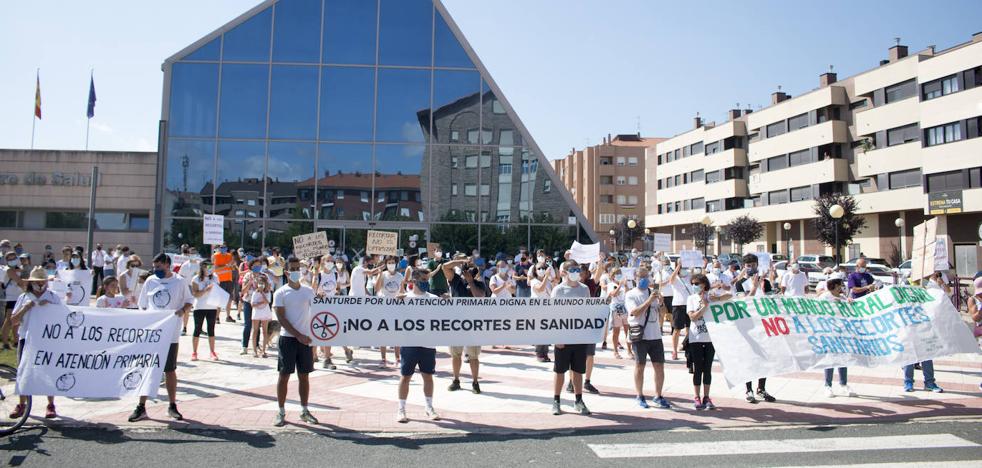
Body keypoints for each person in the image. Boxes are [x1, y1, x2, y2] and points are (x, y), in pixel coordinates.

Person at [128, 253, 193, 422]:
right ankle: (141, 406)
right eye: (155, 267)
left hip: (170, 334)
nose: (156, 270)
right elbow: (143, 305)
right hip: (152, 334)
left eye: (159, 267)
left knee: (169, 370)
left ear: (167, 265)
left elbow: (189, 301)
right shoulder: (150, 281)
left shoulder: (179, 282)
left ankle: (172, 405)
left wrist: (182, 311)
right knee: (147, 369)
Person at [272, 256, 319, 427]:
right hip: (288, 339)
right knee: (284, 375)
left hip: (305, 340)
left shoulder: (308, 291)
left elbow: (318, 311)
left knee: (304, 376)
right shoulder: (280, 293)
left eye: (298, 268)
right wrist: (298, 335)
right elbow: (281, 318)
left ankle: (304, 410)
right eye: (292, 269)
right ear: (286, 272)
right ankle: (281, 411)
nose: (295, 271)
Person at [8, 267, 59, 419]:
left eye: (42, 281)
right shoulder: (24, 298)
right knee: (24, 372)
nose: (40, 284)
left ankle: (50, 404)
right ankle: (22, 404)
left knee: (48, 371)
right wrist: (26, 308)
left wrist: (50, 307)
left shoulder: (53, 297)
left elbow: (63, 318)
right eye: (37, 282)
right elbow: (13, 321)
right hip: (27, 339)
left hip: (47, 340)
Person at [396, 268, 441, 423]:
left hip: (428, 343)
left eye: (427, 279)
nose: (426, 283)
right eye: (423, 280)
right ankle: (401, 409)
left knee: (428, 376)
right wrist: (397, 303)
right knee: (405, 376)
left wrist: (447, 301)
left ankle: (429, 407)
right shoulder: (405, 298)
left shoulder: (434, 298)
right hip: (409, 343)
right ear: (414, 281)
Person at [733, 253, 777, 403]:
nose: (751, 267)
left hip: (763, 325)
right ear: (744, 267)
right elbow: (744, 302)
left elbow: (772, 301)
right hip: (748, 325)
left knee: (764, 357)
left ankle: (761, 388)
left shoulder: (765, 282)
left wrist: (765, 288)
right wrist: (753, 288)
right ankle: (749, 389)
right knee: (749, 358)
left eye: (753, 265)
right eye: (748, 265)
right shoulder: (740, 284)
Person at [550, 261, 591, 416]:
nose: (576, 272)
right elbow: (552, 315)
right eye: (572, 270)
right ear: (565, 272)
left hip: (579, 337)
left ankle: (579, 400)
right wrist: (556, 338)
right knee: (560, 370)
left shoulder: (584, 289)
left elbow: (588, 312)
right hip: (563, 337)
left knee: (578, 370)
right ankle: (556, 400)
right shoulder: (558, 290)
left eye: (577, 269)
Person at [625, 267, 669, 409]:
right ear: (635, 278)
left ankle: (658, 395)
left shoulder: (654, 292)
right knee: (640, 365)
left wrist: (661, 303)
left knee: (659, 365)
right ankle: (640, 395)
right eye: (640, 276)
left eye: (646, 276)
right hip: (640, 335)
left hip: (655, 335)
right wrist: (649, 301)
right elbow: (634, 312)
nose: (643, 279)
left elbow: (664, 314)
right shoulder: (631, 294)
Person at [442, 257, 484, 393]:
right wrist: (460, 261)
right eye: (467, 269)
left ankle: (475, 382)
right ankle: (456, 379)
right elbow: (445, 267)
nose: (469, 271)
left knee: (473, 356)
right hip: (456, 324)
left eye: (472, 270)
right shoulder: (456, 281)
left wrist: (471, 281)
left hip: (472, 325)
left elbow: (479, 296)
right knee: (455, 354)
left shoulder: (479, 284)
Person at [687, 273, 729, 410]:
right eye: (692, 284)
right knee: (697, 368)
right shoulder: (691, 298)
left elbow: (730, 296)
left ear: (704, 284)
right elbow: (693, 317)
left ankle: (706, 396)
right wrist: (704, 306)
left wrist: (715, 298)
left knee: (707, 368)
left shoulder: (710, 296)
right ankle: (696, 396)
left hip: (710, 338)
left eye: (697, 284)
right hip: (696, 338)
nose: (694, 286)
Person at [818, 278, 855, 397]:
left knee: (843, 359)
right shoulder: (824, 297)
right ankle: (827, 386)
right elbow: (818, 312)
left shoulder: (843, 297)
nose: (842, 288)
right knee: (830, 360)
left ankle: (843, 384)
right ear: (834, 286)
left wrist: (849, 302)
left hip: (842, 333)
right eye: (840, 285)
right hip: (829, 332)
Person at [567, 265, 600, 394]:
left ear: (587, 273)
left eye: (582, 271)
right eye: (577, 271)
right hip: (573, 325)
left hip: (588, 323)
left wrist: (600, 262)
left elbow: (598, 274)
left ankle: (587, 381)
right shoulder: (567, 286)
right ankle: (571, 381)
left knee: (590, 354)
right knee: (572, 355)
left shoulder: (589, 285)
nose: (579, 274)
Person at [316, 255, 352, 368]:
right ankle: (328, 357)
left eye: (332, 261)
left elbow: (336, 289)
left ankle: (328, 358)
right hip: (320, 308)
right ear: (322, 262)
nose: (330, 263)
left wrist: (336, 294)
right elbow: (313, 290)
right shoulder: (318, 275)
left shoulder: (335, 274)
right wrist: (318, 294)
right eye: (328, 261)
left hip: (333, 307)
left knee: (333, 331)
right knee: (326, 332)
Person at [375, 255, 406, 367]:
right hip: (384, 308)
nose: (391, 264)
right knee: (383, 334)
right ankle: (383, 359)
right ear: (386, 264)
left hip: (397, 309)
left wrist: (402, 296)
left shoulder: (399, 276)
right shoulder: (383, 275)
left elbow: (402, 290)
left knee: (396, 334)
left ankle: (397, 358)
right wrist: (379, 273)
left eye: (393, 262)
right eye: (389, 262)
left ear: (396, 263)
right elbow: (377, 288)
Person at [190, 260, 220, 361]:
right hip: (199, 307)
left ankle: (212, 352)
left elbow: (218, 292)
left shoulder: (215, 277)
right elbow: (195, 294)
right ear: (202, 268)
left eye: (211, 267)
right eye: (208, 267)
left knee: (211, 329)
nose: (210, 269)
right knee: (197, 329)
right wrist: (206, 290)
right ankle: (194, 352)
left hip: (212, 307)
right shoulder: (196, 279)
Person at [529, 259, 553, 362]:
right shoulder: (533, 281)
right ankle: (539, 353)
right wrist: (546, 276)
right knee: (539, 331)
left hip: (547, 308)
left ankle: (545, 353)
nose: (542, 270)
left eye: (544, 268)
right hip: (537, 309)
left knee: (546, 332)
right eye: (539, 268)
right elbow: (540, 289)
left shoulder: (548, 281)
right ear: (535, 271)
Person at [666, 262, 691, 361]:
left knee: (690, 329)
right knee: (677, 329)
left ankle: (687, 347)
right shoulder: (675, 278)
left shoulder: (689, 276)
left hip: (689, 305)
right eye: (682, 267)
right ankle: (674, 351)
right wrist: (677, 267)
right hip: (678, 305)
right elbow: (671, 280)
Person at [606, 267, 633, 360]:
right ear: (612, 276)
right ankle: (615, 351)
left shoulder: (624, 283)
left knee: (628, 330)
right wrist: (620, 286)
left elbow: (628, 294)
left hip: (625, 308)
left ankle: (629, 351)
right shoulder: (611, 284)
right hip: (615, 309)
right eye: (616, 274)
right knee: (616, 331)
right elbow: (613, 294)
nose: (618, 275)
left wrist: (625, 286)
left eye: (619, 273)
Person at [1, 250, 26, 350]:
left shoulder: (19, 269)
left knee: (17, 321)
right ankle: (5, 342)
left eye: (13, 258)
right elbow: (19, 282)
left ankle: (16, 341)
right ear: (6, 261)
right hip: (11, 298)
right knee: (9, 321)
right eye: (9, 259)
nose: (12, 260)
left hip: (19, 297)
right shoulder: (8, 270)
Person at [250, 274, 273, 358]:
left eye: (262, 283)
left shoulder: (268, 292)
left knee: (265, 331)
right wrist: (260, 302)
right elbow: (252, 304)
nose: (261, 285)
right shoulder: (255, 293)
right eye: (259, 283)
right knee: (255, 331)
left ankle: (264, 350)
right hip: (256, 313)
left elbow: (267, 301)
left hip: (265, 312)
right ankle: (254, 351)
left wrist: (262, 293)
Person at [212, 244, 236, 323]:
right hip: (220, 280)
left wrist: (232, 266)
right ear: (219, 248)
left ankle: (228, 316)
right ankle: (217, 317)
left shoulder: (229, 256)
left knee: (229, 299)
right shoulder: (215, 256)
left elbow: (232, 267)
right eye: (221, 248)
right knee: (220, 299)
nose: (223, 249)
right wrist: (226, 265)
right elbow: (215, 268)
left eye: (225, 247)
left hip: (229, 279)